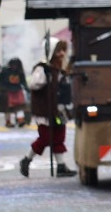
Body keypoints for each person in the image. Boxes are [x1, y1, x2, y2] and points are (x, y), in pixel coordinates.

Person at [19, 39, 76, 178]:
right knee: (45, 137)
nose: (62, 53)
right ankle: (26, 160)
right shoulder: (42, 68)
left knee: (58, 137)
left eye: (63, 50)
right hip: (45, 110)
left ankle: (61, 166)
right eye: (58, 50)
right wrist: (46, 74)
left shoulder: (59, 68)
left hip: (58, 109)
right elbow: (33, 84)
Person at [0, 58, 29, 127]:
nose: (14, 66)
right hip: (8, 91)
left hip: (17, 91)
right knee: (7, 108)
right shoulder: (6, 71)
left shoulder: (19, 72)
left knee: (19, 107)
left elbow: (23, 82)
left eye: (16, 65)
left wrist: (27, 89)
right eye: (13, 64)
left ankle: (20, 120)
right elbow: (0, 80)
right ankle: (8, 121)